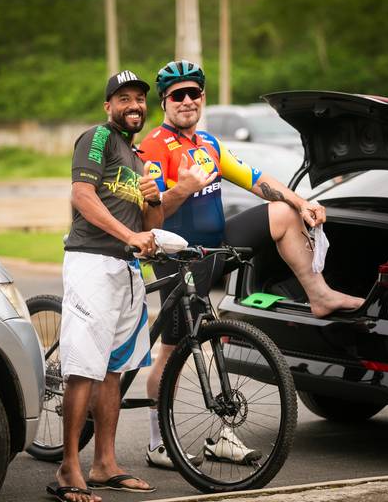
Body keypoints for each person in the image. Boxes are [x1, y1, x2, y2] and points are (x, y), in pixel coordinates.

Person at [138, 60, 365, 469]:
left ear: (203, 97)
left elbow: (257, 179)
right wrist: (183, 188)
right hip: (177, 257)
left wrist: (302, 201)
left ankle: (319, 295)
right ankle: (157, 443)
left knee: (283, 212)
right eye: (177, 95)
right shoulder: (155, 145)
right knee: (172, 352)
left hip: (215, 249)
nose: (187, 101)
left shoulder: (208, 143)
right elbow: (150, 216)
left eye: (194, 93)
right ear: (165, 102)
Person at [48, 70, 162, 502]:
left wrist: (154, 198)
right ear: (108, 106)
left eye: (139, 99)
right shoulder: (98, 137)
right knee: (84, 368)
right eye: (124, 98)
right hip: (92, 263)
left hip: (126, 270)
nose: (134, 105)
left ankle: (104, 464)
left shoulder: (137, 158)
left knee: (113, 371)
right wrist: (129, 235)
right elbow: (82, 194)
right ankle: (68, 467)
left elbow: (152, 224)